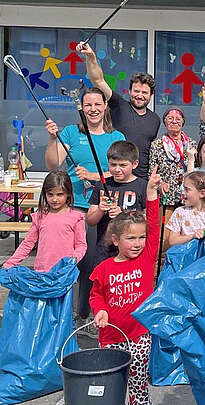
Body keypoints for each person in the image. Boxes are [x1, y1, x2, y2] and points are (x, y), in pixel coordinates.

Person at [89, 168, 161, 405]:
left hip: (139, 336)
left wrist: (153, 193)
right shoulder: (104, 269)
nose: (138, 243)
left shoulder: (146, 259)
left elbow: (155, 225)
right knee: (111, 386)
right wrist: (101, 311)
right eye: (131, 238)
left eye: (141, 237)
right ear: (115, 240)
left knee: (137, 386)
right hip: (109, 339)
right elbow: (96, 296)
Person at [44, 86, 125, 326]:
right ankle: (63, 315)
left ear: (105, 107)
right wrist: (51, 138)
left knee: (93, 262)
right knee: (69, 262)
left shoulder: (116, 137)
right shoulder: (70, 133)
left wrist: (93, 175)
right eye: (88, 104)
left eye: (97, 104)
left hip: (100, 208)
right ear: (81, 107)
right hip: (73, 208)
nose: (93, 109)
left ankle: (85, 315)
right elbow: (52, 163)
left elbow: (122, 171)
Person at [78, 42, 160, 181]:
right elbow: (98, 80)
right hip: (115, 178)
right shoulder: (119, 105)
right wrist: (91, 56)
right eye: (136, 91)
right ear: (129, 91)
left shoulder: (155, 119)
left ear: (151, 95)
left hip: (141, 181)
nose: (139, 95)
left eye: (144, 92)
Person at [3, 170, 86, 272]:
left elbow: (81, 245)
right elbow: (28, 243)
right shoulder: (40, 216)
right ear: (45, 194)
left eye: (60, 194)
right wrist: (9, 264)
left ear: (68, 193)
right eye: (50, 194)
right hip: (42, 272)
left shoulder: (76, 218)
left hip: (65, 273)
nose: (54, 199)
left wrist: (73, 259)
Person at [86, 141, 148, 267]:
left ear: (134, 164)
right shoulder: (102, 185)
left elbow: (150, 220)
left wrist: (124, 214)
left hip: (132, 253)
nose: (117, 169)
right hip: (104, 251)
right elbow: (90, 221)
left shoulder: (143, 186)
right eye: (113, 165)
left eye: (123, 165)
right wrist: (100, 210)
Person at [148, 107, 197, 208]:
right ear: (165, 121)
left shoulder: (191, 144)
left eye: (178, 119)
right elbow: (152, 172)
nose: (174, 121)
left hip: (186, 194)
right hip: (167, 196)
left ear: (183, 122)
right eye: (170, 118)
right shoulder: (157, 145)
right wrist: (160, 184)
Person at [165, 171, 205, 250]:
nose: (182, 192)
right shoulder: (180, 212)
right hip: (183, 260)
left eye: (187, 189)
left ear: (202, 193)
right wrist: (193, 236)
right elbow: (172, 241)